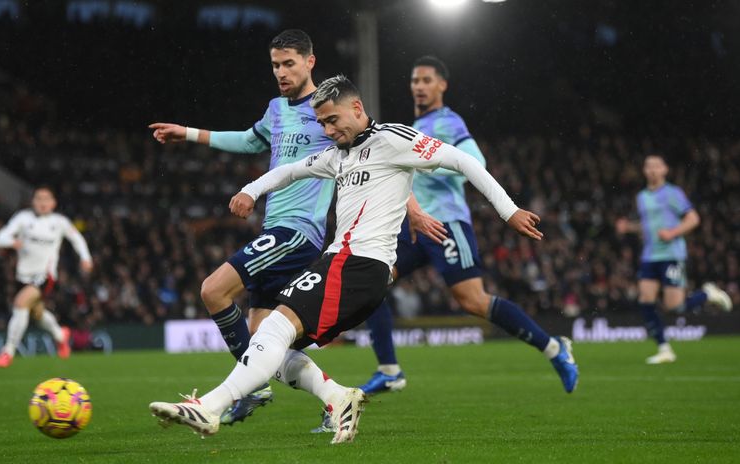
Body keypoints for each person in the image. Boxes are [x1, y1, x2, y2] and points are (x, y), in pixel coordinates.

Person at [148, 75, 558, 444]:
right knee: (270, 345)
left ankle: (210, 409)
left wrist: (509, 211)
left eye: (332, 120)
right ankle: (336, 396)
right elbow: (290, 171)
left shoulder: (394, 140)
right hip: (340, 264)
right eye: (322, 123)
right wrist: (251, 191)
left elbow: (463, 160)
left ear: (357, 109)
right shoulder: (338, 156)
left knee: (272, 331)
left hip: (359, 265)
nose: (328, 130)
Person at [147, 30, 439, 426]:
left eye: (289, 64)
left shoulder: (328, 110)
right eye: (275, 65)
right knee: (266, 341)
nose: (281, 73)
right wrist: (189, 133)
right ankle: (335, 397)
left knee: (213, 290)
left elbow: (377, 155)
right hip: (275, 227)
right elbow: (249, 141)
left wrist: (414, 210)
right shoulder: (276, 109)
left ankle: (250, 390)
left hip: (297, 232)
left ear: (310, 62)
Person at [355, 55, 580, 400]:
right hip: (413, 227)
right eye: (415, 81)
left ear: (442, 85)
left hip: (446, 222)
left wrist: (428, 165)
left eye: (427, 80)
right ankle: (389, 370)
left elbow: (476, 161)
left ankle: (554, 348)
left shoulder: (448, 121)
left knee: (473, 301)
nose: (419, 86)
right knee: (371, 285)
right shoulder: (415, 127)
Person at [616, 155, 731, 364]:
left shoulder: (672, 193)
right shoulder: (642, 196)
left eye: (656, 166)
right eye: (648, 166)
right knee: (645, 300)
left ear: (664, 170)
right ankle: (664, 348)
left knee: (674, 307)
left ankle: (707, 294)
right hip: (650, 255)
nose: (652, 170)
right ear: (644, 171)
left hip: (671, 254)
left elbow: (693, 218)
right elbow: (648, 225)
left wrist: (673, 232)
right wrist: (629, 228)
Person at [0, 186, 93, 368]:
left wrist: (86, 258)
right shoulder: (23, 218)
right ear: (33, 202)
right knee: (37, 314)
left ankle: (8, 352)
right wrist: (12, 242)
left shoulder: (59, 222)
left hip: (45, 276)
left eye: (46, 199)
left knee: (20, 303)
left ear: (53, 203)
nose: (42, 202)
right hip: (22, 276)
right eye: (39, 198)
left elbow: (77, 239)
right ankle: (61, 335)